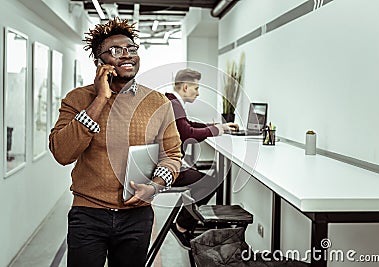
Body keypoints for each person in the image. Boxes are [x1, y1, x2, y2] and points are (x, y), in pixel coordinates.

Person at [49, 18, 182, 267]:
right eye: (116, 51)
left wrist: (154, 186)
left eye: (131, 49)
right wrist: (100, 99)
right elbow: (62, 153)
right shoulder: (78, 99)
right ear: (99, 62)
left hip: (137, 216)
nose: (127, 55)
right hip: (88, 214)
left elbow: (172, 155)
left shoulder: (158, 103)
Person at [165, 68, 238, 249]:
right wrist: (217, 130)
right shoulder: (173, 103)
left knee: (208, 180)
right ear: (185, 86)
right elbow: (187, 132)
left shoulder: (172, 101)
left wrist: (217, 126)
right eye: (196, 88)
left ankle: (184, 223)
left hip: (169, 163)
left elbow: (187, 124)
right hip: (168, 167)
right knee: (211, 182)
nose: (198, 93)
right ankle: (181, 226)